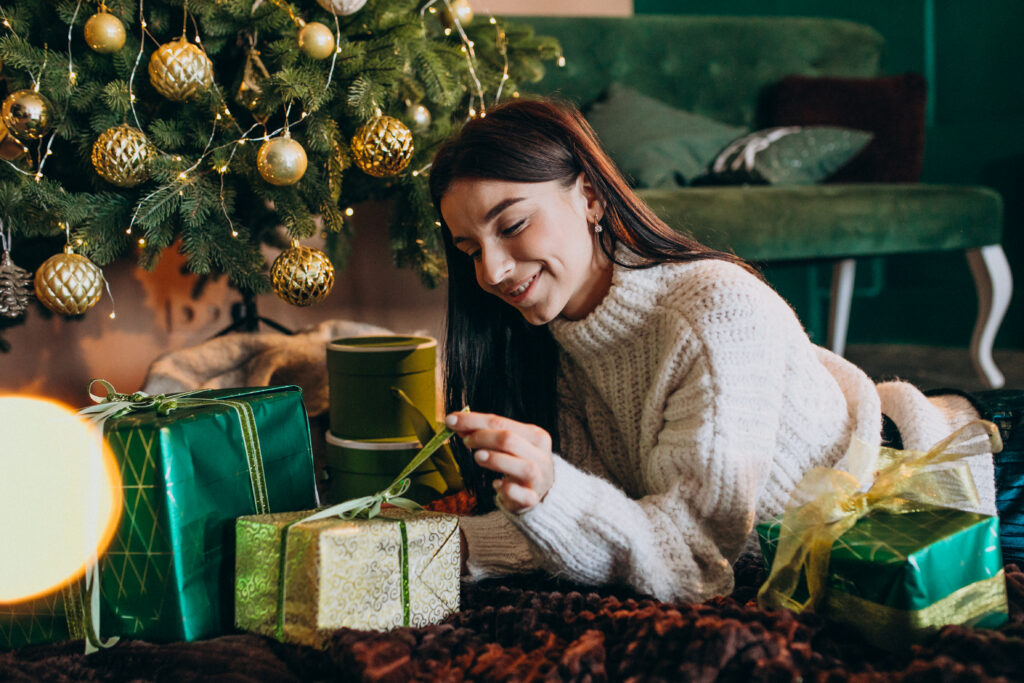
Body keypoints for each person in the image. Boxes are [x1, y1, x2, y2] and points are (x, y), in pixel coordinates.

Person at [428, 97, 995, 603]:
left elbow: (697, 560)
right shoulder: (557, 343)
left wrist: (553, 485)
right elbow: (607, 525)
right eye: (469, 248)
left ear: (591, 197)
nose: (492, 270)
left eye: (514, 224)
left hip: (968, 480)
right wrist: (425, 545)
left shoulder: (711, 311)